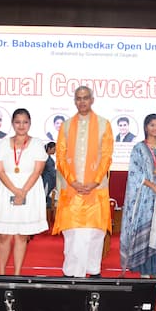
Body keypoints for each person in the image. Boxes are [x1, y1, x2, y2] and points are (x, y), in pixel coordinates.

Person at [53, 86, 114, 278]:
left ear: (92, 99)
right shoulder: (66, 125)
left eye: (85, 98)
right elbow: (60, 157)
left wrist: (94, 181)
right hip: (72, 189)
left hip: (96, 189)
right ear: (74, 101)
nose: (82, 102)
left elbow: (106, 156)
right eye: (78, 98)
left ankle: (93, 270)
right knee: (73, 233)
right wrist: (72, 181)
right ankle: (71, 272)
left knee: (94, 232)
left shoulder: (104, 124)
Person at [0, 109, 48, 274]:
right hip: (6, 190)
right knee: (4, 235)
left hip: (29, 190)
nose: (21, 126)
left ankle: (17, 274)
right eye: (18, 122)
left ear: (30, 123)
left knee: (21, 235)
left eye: (25, 122)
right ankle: (1, 273)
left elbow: (38, 171)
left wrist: (23, 192)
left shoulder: (36, 144)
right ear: (13, 123)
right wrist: (15, 190)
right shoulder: (3, 143)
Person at [119, 114, 156, 280]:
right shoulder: (138, 148)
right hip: (144, 198)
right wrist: (154, 187)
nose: (155, 128)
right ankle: (144, 269)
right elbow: (135, 175)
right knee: (145, 232)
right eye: (152, 125)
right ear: (145, 127)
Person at [42, 141, 57, 209]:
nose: (55, 151)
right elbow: (52, 172)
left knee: (48, 198)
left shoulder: (48, 158)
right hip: (47, 181)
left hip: (50, 181)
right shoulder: (46, 158)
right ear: (49, 149)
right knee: (44, 198)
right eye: (54, 149)